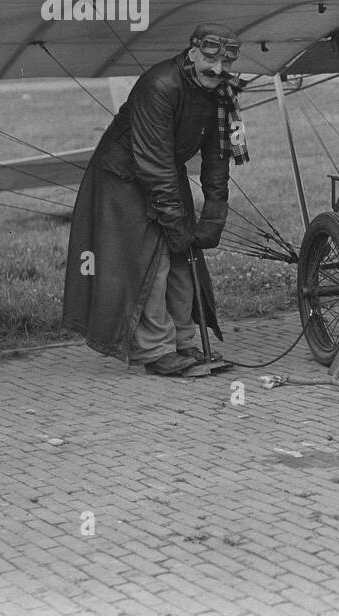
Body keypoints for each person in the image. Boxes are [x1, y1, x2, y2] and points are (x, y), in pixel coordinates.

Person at [63, 23, 248, 377]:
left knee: (184, 256)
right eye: (210, 61)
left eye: (225, 64)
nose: (218, 71)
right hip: (124, 176)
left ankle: (183, 340)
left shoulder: (219, 93)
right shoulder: (159, 85)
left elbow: (217, 158)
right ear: (192, 52)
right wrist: (174, 219)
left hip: (163, 170)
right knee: (153, 260)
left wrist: (213, 215)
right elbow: (152, 162)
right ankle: (156, 350)